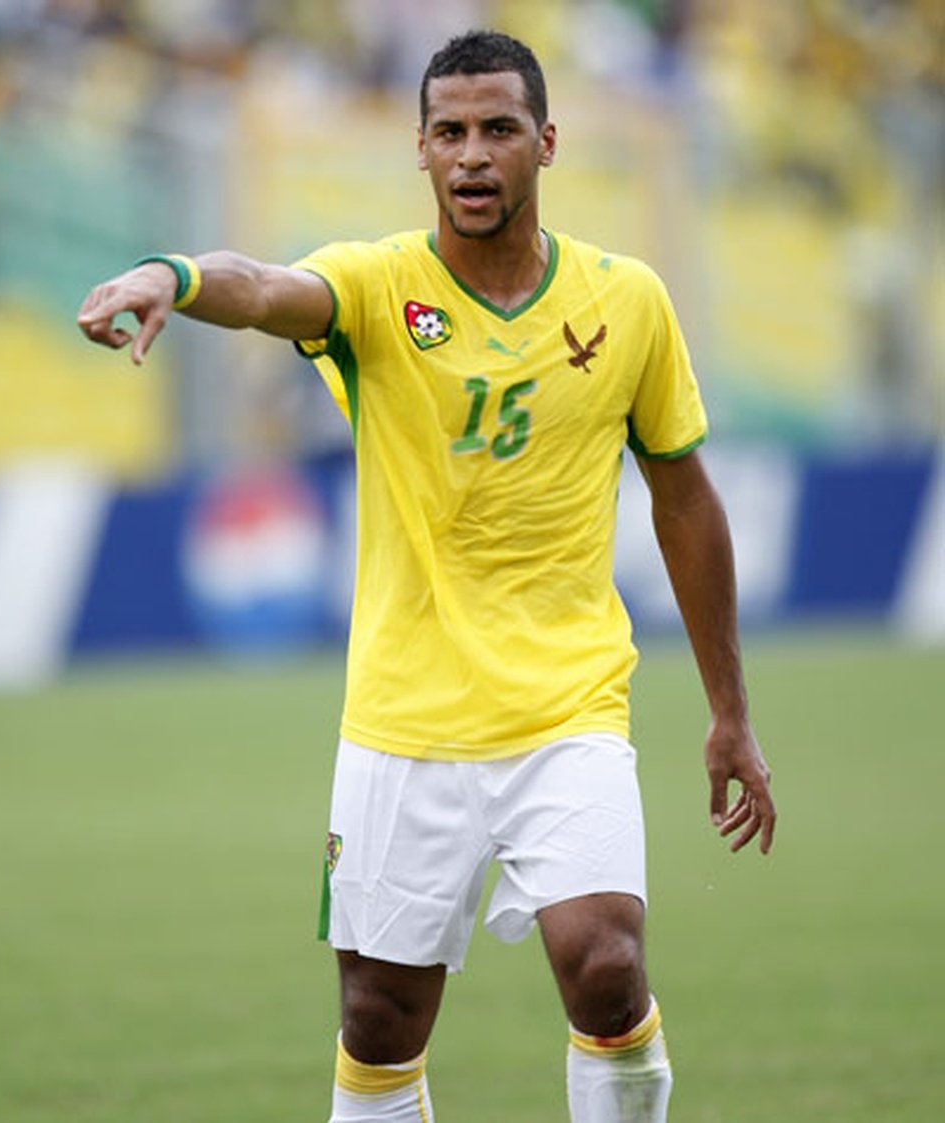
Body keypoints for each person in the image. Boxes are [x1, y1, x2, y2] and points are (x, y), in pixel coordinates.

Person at [78, 29, 776, 1123]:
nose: (472, 155)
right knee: (378, 1018)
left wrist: (729, 712)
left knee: (603, 963)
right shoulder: (375, 286)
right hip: (403, 718)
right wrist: (170, 275)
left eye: (498, 129)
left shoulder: (627, 300)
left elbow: (684, 498)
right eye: (448, 132)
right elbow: (264, 288)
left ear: (544, 141)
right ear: (419, 150)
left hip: (567, 703)